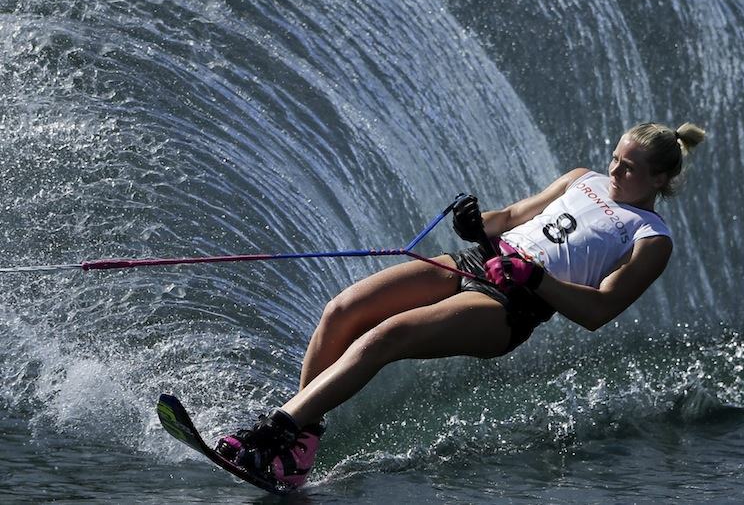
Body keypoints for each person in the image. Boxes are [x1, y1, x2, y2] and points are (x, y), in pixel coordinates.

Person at [213, 121, 706, 489]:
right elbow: (511, 216)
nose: (615, 169)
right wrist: (475, 222)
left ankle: (273, 433)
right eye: (615, 157)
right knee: (342, 311)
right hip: (475, 261)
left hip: (510, 308)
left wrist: (535, 278)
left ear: (660, 179)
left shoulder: (650, 238)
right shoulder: (583, 178)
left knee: (386, 338)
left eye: (630, 167)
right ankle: (297, 449)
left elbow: (599, 310)